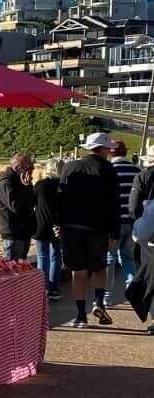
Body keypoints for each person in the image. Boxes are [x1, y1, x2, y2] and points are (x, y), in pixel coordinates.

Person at [57, 133, 121, 327]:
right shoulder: (108, 170)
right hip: (99, 229)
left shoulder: (70, 167)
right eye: (108, 149)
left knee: (79, 271)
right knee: (99, 268)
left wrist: (59, 224)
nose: (110, 152)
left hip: (72, 228)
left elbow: (61, 199)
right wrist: (115, 233)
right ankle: (99, 301)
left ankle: (80, 316)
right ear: (101, 149)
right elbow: (114, 204)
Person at [107, 139, 138, 290]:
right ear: (125, 152)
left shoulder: (108, 170)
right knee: (128, 257)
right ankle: (132, 288)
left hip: (113, 223)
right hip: (132, 223)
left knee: (109, 259)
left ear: (110, 153)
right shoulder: (137, 170)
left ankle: (106, 298)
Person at [0, 152, 35, 261]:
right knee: (13, 271)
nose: (32, 169)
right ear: (18, 168)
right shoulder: (5, 184)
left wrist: (29, 186)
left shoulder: (20, 181)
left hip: (23, 232)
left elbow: (32, 202)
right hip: (13, 235)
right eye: (29, 167)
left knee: (21, 270)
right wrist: (26, 187)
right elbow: (16, 207)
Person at [31, 163, 62, 299]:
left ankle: (42, 289)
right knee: (56, 256)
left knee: (42, 257)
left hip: (41, 225)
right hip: (58, 225)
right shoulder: (63, 186)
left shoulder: (40, 185)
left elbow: (32, 203)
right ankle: (54, 288)